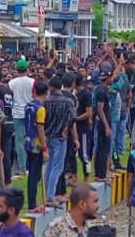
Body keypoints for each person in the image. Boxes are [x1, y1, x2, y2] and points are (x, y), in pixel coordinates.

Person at [42, 76, 76, 207]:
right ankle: (50, 196)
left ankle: (49, 194)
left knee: (49, 167)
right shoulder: (68, 102)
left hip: (48, 136)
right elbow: (73, 117)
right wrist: (66, 130)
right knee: (57, 167)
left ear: (51, 87)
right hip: (60, 137)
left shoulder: (47, 101)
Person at [23, 81, 48, 212]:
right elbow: (40, 129)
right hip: (36, 144)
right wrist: (45, 148)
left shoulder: (28, 105)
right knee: (34, 174)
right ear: (46, 93)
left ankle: (32, 201)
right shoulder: (41, 109)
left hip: (27, 141)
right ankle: (32, 204)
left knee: (33, 174)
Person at [8, 59, 35, 176]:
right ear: (27, 69)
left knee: (19, 142)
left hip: (17, 113)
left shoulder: (11, 83)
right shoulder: (33, 81)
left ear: (16, 70)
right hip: (30, 113)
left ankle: (23, 168)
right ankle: (32, 166)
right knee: (32, 138)